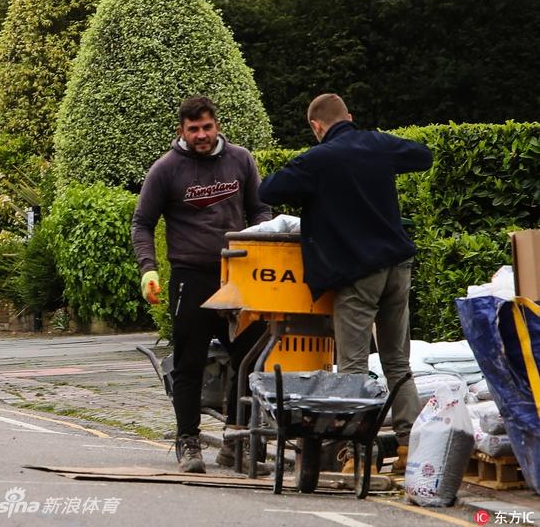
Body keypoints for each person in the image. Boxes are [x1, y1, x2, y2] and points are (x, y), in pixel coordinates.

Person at [257, 93, 433, 471]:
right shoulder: (377, 143)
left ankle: (357, 456)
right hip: (399, 266)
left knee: (352, 366)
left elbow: (267, 190)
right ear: (349, 117)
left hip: (358, 274)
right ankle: (411, 448)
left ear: (316, 127)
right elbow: (423, 155)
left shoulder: (317, 159)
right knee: (397, 363)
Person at [132, 95, 271, 473]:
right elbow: (142, 222)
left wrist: (260, 240)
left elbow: (260, 209)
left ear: (217, 126)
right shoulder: (166, 169)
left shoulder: (241, 160)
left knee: (248, 359)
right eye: (193, 129)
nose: (202, 135)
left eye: (207, 127)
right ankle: (188, 443)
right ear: (181, 131)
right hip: (190, 278)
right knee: (190, 362)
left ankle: (237, 440)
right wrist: (149, 268)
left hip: (239, 277)